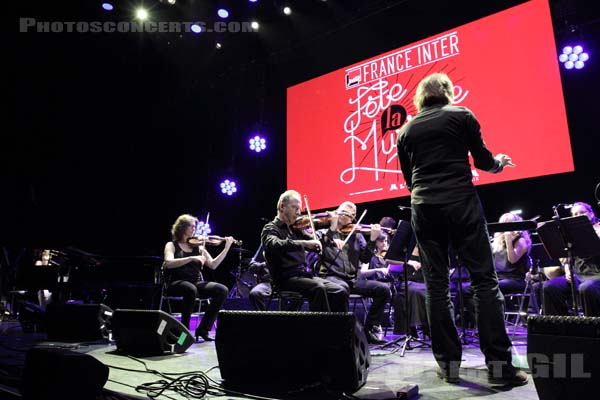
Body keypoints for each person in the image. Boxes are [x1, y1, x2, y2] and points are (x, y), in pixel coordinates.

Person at [396, 72, 526, 385]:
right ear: (448, 92)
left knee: (436, 285)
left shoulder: (405, 130)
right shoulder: (461, 115)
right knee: (483, 281)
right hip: (461, 203)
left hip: (424, 207)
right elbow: (482, 161)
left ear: (421, 98)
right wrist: (499, 163)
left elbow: (408, 179)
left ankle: (448, 366)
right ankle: (499, 369)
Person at [316, 201, 391, 344]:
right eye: (341, 211)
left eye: (348, 215)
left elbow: (365, 258)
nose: (343, 215)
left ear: (353, 218)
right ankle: (345, 332)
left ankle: (368, 330)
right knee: (341, 289)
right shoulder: (323, 232)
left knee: (384, 289)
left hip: (352, 279)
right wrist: (332, 229)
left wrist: (373, 240)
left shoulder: (357, 235)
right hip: (331, 277)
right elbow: (321, 247)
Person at [261, 190, 347, 312]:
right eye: (294, 208)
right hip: (284, 278)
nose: (298, 213)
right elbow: (273, 244)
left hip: (303, 276)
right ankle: (322, 328)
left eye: (299, 209)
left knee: (340, 291)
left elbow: (316, 242)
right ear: (282, 207)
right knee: (318, 288)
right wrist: (304, 244)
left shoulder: (297, 229)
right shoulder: (271, 228)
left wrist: (331, 231)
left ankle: (341, 328)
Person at [163, 214, 233, 342]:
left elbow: (213, 265)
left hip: (195, 283)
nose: (194, 229)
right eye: (192, 226)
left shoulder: (199, 247)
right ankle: (183, 333)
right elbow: (168, 262)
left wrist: (226, 247)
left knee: (222, 290)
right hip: (175, 283)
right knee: (190, 289)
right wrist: (191, 258)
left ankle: (203, 329)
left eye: (195, 227)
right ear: (182, 227)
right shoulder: (172, 245)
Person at [542, 202, 600, 316]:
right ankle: (562, 328)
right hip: (578, 275)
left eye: (581, 213)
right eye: (574, 214)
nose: (577, 216)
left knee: (586, 288)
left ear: (591, 214)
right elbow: (567, 259)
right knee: (549, 287)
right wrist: (568, 270)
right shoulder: (571, 234)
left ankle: (593, 328)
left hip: (597, 275)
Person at [491, 213, 532, 297]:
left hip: (514, 279)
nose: (505, 229)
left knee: (492, 287)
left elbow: (512, 260)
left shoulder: (521, 241)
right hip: (497, 278)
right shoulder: (496, 242)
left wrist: (508, 241)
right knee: (471, 288)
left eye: (508, 225)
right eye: (503, 225)